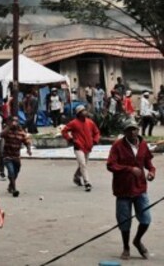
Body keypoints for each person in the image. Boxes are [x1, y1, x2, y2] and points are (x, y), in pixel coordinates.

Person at [107, 119, 156, 260]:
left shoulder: (143, 145)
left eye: (135, 129)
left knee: (146, 219)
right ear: (124, 132)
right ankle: (126, 247)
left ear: (138, 130)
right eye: (129, 129)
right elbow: (111, 165)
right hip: (123, 189)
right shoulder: (117, 146)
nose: (133, 132)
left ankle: (137, 240)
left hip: (140, 188)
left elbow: (149, 164)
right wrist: (129, 169)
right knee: (124, 220)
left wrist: (151, 172)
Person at [61, 105, 101, 192]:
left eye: (85, 111)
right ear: (79, 113)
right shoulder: (74, 123)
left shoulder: (90, 122)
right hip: (78, 146)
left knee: (83, 164)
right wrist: (70, 139)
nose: (85, 112)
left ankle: (76, 176)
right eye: (83, 111)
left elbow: (96, 132)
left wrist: (95, 140)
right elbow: (64, 131)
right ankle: (87, 182)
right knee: (83, 164)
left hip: (88, 146)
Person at [1, 116, 32, 197]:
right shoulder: (7, 130)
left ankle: (10, 185)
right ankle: (14, 189)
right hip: (7, 155)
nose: (15, 123)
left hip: (16, 156)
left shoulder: (21, 132)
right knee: (11, 171)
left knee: (16, 172)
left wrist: (29, 150)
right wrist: (9, 126)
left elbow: (27, 141)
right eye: (13, 121)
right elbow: (1, 135)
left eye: (16, 121)